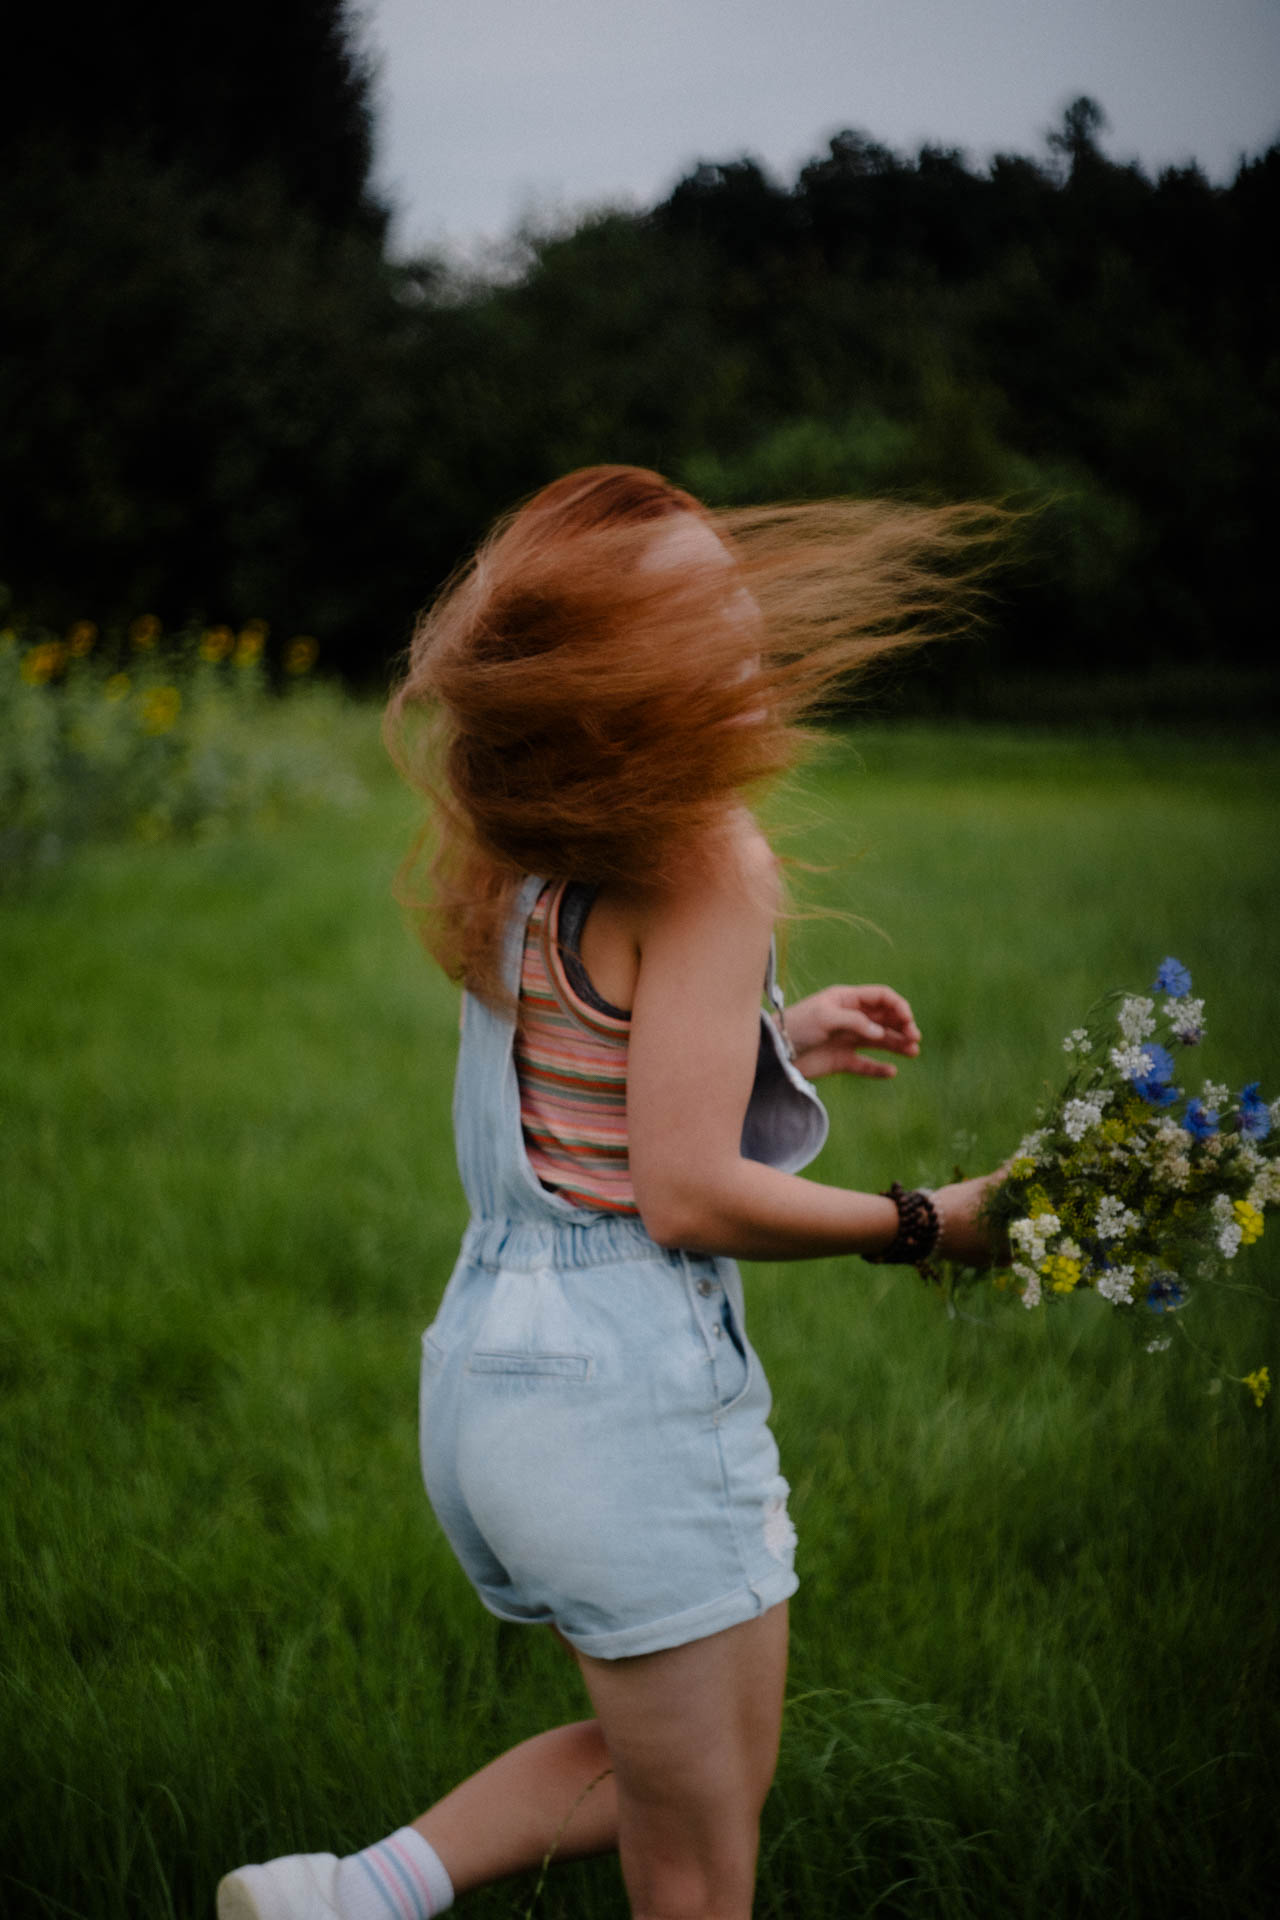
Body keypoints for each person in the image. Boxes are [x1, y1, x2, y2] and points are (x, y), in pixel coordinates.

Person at [217, 466, 1006, 1920]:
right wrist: (928, 1223)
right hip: (627, 1392)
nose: (751, 626)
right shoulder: (704, 854)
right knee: (704, 1856)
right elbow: (692, 1196)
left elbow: (594, 1070)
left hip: (489, 1381)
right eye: (706, 612)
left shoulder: (524, 854)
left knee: (675, 1767)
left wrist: (775, 1039)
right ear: (613, 677)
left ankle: (350, 1898)